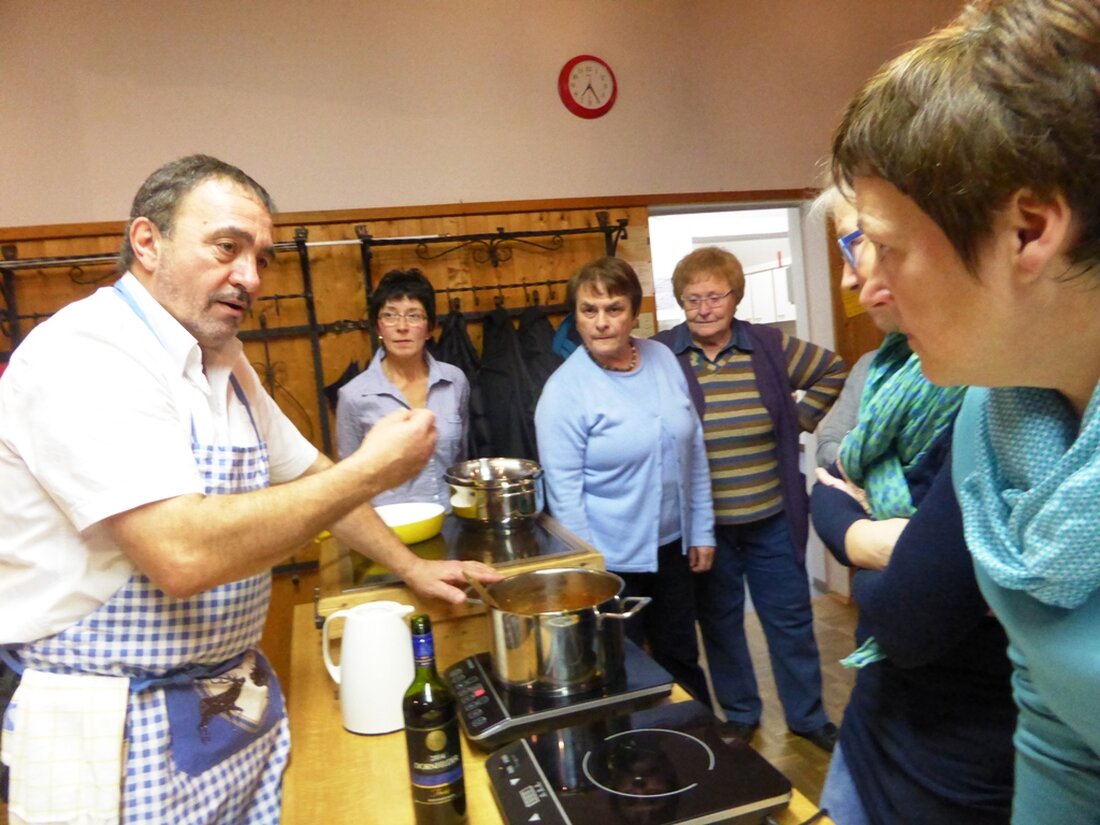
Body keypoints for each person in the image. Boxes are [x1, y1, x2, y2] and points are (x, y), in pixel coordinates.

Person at [0, 154, 498, 823]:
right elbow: (181, 554)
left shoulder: (225, 362)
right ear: (148, 242)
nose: (250, 277)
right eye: (226, 247)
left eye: (261, 257)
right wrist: (373, 471)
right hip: (115, 727)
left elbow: (310, 475)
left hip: (229, 706)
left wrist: (411, 566)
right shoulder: (86, 354)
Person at [831, 1, 1100, 820]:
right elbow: (1057, 727)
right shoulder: (996, 423)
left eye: (889, 245)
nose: (869, 284)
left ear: (1029, 230)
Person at [810, 188, 1015, 825]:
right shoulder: (884, 367)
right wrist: (879, 545)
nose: (854, 282)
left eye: (865, 246)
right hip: (876, 725)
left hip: (976, 766)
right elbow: (826, 475)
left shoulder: (1005, 395)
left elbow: (907, 616)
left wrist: (875, 549)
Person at [652, 246, 847, 752]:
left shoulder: (767, 345)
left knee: (790, 620)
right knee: (719, 624)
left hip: (771, 518)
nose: (704, 309)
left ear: (735, 297)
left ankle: (807, 717)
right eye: (692, 299)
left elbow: (834, 370)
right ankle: (740, 713)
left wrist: (797, 421)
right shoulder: (662, 354)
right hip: (705, 527)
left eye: (714, 296)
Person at [534, 257, 715, 704]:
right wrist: (593, 572)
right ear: (574, 317)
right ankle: (635, 760)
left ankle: (701, 753)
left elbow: (692, 449)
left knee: (681, 656)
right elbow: (565, 494)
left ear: (634, 314)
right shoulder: (564, 391)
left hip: (673, 548)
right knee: (624, 670)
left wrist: (701, 529)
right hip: (612, 563)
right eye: (588, 310)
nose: (600, 323)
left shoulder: (662, 359)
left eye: (613, 309)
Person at [335, 268, 469, 509]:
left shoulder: (454, 381)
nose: (402, 327)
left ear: (430, 328)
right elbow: (349, 482)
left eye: (414, 316)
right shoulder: (354, 395)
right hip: (390, 526)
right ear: (378, 328)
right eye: (390, 315)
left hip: (450, 519)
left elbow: (461, 460)